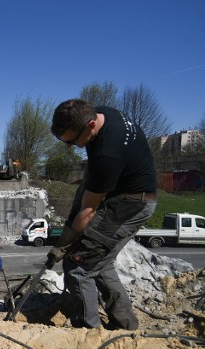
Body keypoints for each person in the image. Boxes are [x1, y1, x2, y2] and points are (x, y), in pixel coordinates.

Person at [44, 99, 157, 331]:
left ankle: (89, 332)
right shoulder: (106, 113)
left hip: (130, 205)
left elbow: (88, 210)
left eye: (73, 141)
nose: (70, 146)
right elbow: (86, 189)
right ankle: (126, 324)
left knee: (79, 266)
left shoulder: (107, 154)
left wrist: (63, 245)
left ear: (91, 124)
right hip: (128, 194)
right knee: (98, 262)